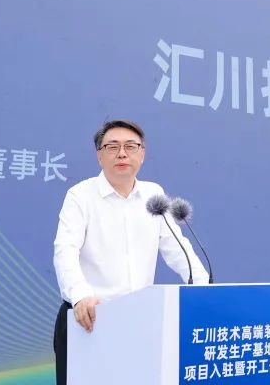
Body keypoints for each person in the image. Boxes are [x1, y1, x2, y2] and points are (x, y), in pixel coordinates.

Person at [52, 119, 209, 385]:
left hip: (139, 322)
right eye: (112, 147)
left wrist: (205, 290)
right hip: (89, 320)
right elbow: (65, 251)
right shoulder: (80, 195)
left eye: (130, 146)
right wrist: (81, 297)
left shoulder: (154, 195)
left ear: (142, 153)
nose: (122, 153)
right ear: (99, 155)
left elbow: (177, 248)